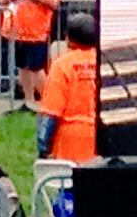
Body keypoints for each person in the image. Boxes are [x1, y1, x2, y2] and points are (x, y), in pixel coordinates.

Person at [0, 0, 61, 110]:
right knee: (23, 68)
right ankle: (29, 101)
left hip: (37, 32)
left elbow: (54, 3)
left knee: (37, 69)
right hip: (18, 31)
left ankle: (51, 101)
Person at [38, 13, 98, 164]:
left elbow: (51, 113)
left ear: (68, 38)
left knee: (67, 184)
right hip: (101, 140)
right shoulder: (105, 61)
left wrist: (43, 148)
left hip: (69, 144)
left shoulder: (62, 65)